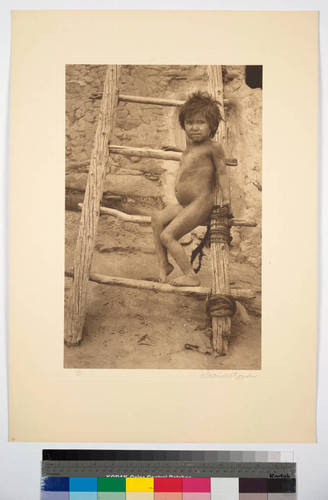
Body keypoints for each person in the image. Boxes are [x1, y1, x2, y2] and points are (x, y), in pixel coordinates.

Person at [151, 91, 231, 286]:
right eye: (189, 123)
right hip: (186, 203)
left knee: (167, 235)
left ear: (212, 125)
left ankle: (190, 275)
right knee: (156, 219)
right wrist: (177, 150)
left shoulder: (214, 148)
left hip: (201, 203)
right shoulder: (190, 144)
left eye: (200, 123)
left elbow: (221, 172)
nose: (194, 127)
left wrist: (227, 201)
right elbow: (192, 158)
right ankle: (164, 263)